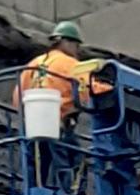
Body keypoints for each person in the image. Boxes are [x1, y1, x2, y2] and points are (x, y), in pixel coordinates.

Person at [17, 19, 113, 151]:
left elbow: (18, 96)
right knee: (67, 161)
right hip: (57, 125)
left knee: (35, 163)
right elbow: (88, 87)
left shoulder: (34, 64)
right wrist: (112, 89)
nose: (77, 50)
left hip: (32, 126)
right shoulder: (68, 63)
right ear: (66, 42)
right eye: (76, 45)